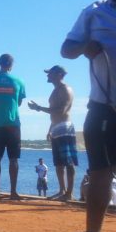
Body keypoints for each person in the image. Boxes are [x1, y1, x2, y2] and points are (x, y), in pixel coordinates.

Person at [58, 0, 116, 232]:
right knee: (100, 173)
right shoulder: (94, 13)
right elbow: (66, 49)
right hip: (103, 107)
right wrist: (84, 48)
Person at [28, 65, 78, 201]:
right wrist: (50, 129)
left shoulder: (66, 89)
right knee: (58, 163)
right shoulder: (55, 91)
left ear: (59, 74)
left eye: (50, 73)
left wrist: (38, 108)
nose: (47, 75)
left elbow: (61, 111)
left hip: (65, 128)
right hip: (56, 128)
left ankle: (69, 193)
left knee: (69, 162)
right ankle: (62, 191)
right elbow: (54, 112)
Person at [0, 54, 26, 200]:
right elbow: (19, 102)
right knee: (13, 159)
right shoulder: (19, 81)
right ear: (11, 65)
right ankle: (13, 192)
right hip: (13, 124)